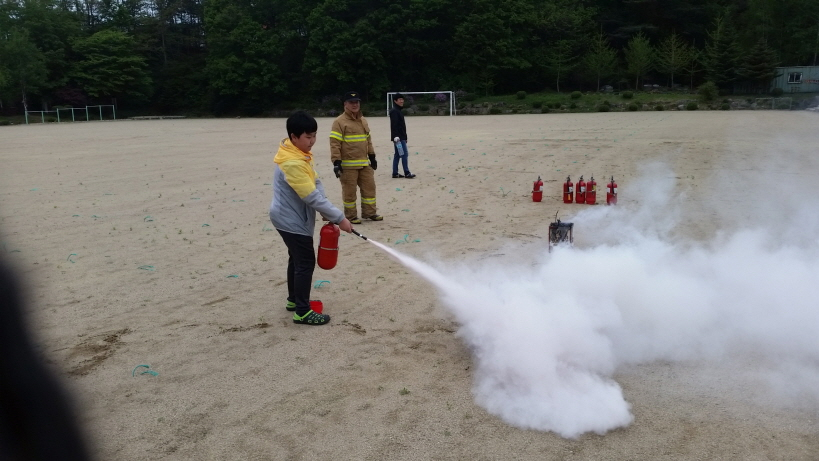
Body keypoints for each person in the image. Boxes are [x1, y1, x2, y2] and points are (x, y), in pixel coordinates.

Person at [270, 111, 353, 326]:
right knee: (305, 262)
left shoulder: (298, 153)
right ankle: (303, 312)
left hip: (289, 216)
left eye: (314, 135)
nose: (312, 141)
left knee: (296, 259)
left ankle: (294, 300)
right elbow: (310, 196)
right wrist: (340, 218)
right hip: (290, 219)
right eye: (308, 137)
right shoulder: (292, 162)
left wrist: (326, 210)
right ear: (294, 136)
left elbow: (314, 182)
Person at [329, 91, 383, 224]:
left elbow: (368, 140)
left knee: (369, 189)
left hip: (364, 163)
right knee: (350, 192)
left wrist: (372, 156)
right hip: (348, 166)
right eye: (351, 102)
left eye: (357, 102)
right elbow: (335, 143)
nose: (355, 105)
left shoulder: (363, 120)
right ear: (345, 104)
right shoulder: (339, 122)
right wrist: (336, 162)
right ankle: (351, 216)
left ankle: (370, 213)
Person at [388, 93, 416, 179]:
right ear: (395, 101)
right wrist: (396, 136)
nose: (402, 101)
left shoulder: (398, 110)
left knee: (397, 154)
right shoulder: (394, 111)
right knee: (404, 154)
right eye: (400, 99)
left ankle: (395, 173)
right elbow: (394, 125)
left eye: (402, 99)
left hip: (401, 137)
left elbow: (402, 125)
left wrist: (405, 137)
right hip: (398, 138)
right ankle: (407, 172)